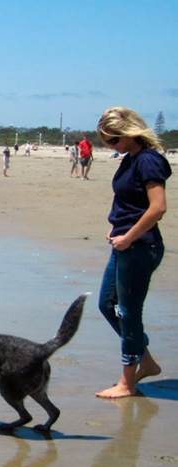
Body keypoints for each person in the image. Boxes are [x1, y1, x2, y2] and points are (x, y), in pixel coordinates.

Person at [95, 106, 171, 399]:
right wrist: (117, 230)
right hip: (124, 243)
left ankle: (127, 381)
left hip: (140, 247)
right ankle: (146, 361)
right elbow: (131, 205)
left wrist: (128, 236)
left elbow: (158, 208)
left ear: (129, 135)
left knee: (128, 313)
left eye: (113, 141)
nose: (110, 146)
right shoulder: (130, 160)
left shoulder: (149, 161)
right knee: (107, 305)